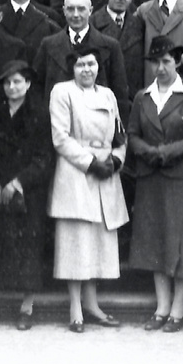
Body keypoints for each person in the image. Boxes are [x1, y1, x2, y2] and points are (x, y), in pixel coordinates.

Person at [126, 37, 183, 333]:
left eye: (166, 62)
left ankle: (178, 309)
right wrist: (148, 153)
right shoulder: (142, 97)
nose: (160, 68)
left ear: (176, 62)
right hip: (150, 178)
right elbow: (132, 133)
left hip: (179, 179)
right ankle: (161, 307)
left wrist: (165, 153)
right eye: (155, 62)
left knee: (180, 243)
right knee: (155, 242)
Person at [48, 48, 128, 332]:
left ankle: (93, 304)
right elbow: (60, 138)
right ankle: (75, 308)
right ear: (72, 68)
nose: (86, 70)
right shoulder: (62, 92)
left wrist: (117, 159)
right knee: (76, 243)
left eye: (91, 64)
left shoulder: (107, 94)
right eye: (81, 65)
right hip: (76, 173)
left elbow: (120, 134)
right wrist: (90, 163)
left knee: (97, 243)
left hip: (106, 174)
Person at [0, 59, 54, 330]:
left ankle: (26, 309)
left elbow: (44, 158)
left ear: (28, 84)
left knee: (28, 250)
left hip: (27, 193)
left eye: (18, 81)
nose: (12, 87)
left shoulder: (40, 114)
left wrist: (18, 182)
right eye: (7, 82)